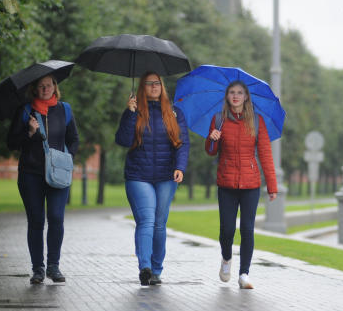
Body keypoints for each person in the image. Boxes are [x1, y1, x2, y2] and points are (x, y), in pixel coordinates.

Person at [116, 72, 189, 286]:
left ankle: (157, 269)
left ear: (162, 86)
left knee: (159, 224)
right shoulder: (135, 110)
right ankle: (145, 268)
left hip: (167, 176)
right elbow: (122, 140)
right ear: (142, 87)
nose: (154, 86)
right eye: (149, 83)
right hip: (139, 175)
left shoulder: (175, 113)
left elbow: (182, 144)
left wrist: (180, 167)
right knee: (146, 221)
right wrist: (129, 114)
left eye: (157, 82)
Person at [7, 74, 79, 284]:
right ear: (35, 89)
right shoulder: (26, 111)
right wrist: (29, 132)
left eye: (49, 85)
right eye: (41, 86)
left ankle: (53, 267)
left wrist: (67, 157)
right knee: (36, 221)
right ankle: (38, 269)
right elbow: (11, 143)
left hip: (58, 174)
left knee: (56, 218)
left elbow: (74, 139)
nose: (46, 88)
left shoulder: (64, 110)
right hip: (31, 174)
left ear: (55, 87)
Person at [205, 80, 278, 289]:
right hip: (226, 184)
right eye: (232, 92)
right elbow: (210, 151)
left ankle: (244, 274)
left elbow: (265, 154)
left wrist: (272, 186)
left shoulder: (256, 121)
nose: (235, 96)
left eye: (240, 93)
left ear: (246, 97)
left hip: (251, 184)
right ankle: (226, 258)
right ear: (227, 96)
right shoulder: (218, 120)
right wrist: (213, 139)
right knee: (227, 230)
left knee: (247, 229)